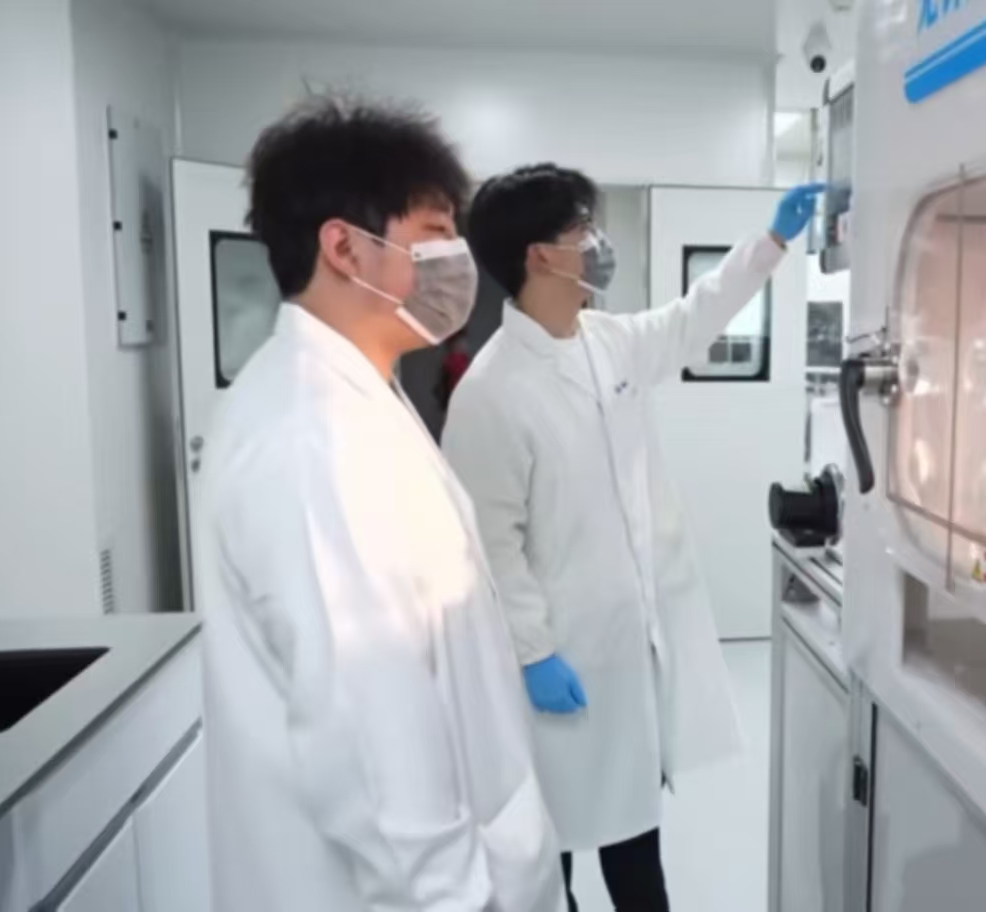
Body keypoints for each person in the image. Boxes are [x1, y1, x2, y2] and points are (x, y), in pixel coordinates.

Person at [196, 97, 564, 912]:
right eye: (434, 233)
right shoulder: (313, 439)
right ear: (344, 247)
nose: (456, 262)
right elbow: (374, 750)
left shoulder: (357, 398)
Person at [442, 165, 823, 911]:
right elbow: (490, 543)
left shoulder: (607, 341)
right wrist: (533, 652)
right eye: (581, 228)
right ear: (539, 255)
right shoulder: (490, 391)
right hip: (562, 659)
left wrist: (772, 242)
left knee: (635, 838)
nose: (597, 241)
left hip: (630, 650)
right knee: (550, 854)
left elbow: (694, 317)